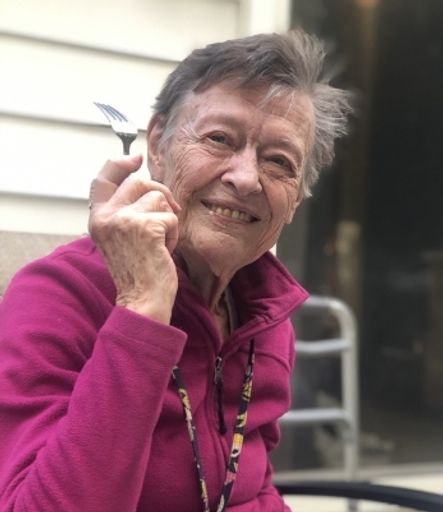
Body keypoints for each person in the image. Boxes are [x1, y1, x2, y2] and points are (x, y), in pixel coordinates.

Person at [0, 30, 351, 511]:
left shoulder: (264, 317)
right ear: (158, 144)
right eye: (219, 139)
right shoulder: (57, 297)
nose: (246, 178)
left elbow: (251, 487)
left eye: (279, 161)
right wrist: (141, 309)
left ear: (295, 199)